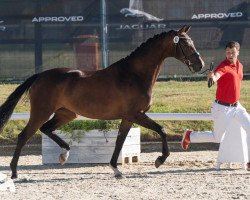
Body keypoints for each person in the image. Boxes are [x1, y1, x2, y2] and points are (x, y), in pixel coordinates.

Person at [181, 41, 250, 170]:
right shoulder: (223, 67)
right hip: (222, 108)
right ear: (225, 53)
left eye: (233, 52)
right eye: (228, 52)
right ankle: (190, 136)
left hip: (237, 106)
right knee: (217, 138)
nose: (230, 55)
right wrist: (211, 77)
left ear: (238, 53)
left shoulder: (239, 66)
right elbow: (217, 76)